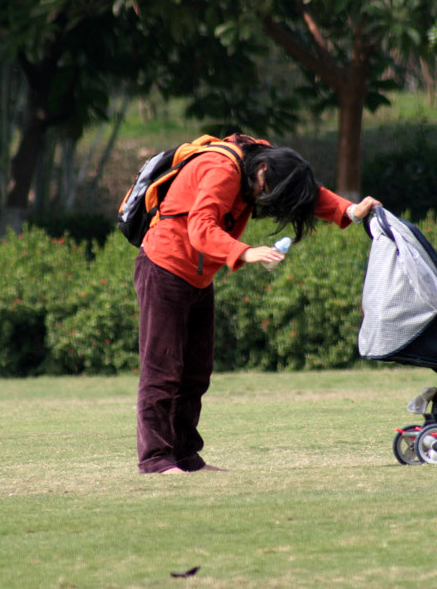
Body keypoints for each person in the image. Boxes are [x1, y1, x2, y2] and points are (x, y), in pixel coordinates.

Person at [133, 133, 379, 474]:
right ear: (262, 169)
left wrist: (349, 210)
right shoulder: (222, 169)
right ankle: (156, 460)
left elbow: (306, 190)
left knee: (195, 373)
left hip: (198, 276)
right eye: (269, 190)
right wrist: (243, 251)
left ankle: (186, 456)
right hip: (164, 268)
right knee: (163, 370)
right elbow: (200, 226)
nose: (267, 199)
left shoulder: (262, 160)